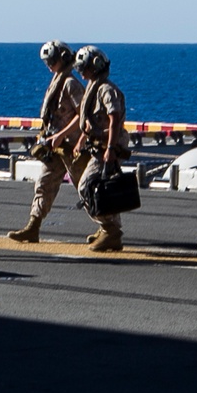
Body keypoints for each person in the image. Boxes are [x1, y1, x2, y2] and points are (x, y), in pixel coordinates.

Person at [8, 41, 89, 243]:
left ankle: (110, 228)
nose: (49, 64)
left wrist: (62, 134)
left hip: (71, 148)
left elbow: (82, 115)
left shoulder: (70, 84)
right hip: (55, 148)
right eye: (47, 61)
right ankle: (33, 226)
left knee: (87, 187)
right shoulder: (56, 81)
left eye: (52, 60)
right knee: (44, 184)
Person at [67, 45, 131, 252]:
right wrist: (81, 140)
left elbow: (113, 121)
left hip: (109, 146)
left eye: (83, 68)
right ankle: (108, 229)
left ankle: (110, 230)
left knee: (87, 186)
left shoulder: (106, 90)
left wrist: (111, 148)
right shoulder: (93, 88)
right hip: (99, 146)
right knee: (105, 189)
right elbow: (91, 121)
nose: (81, 73)